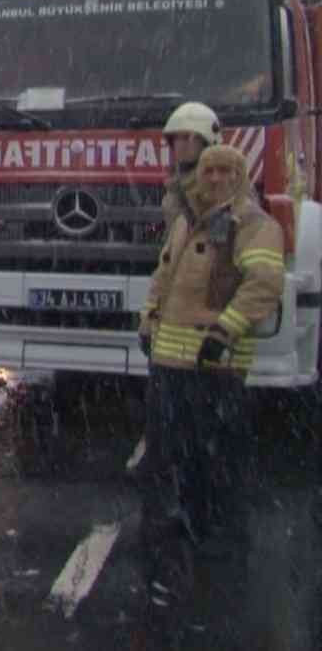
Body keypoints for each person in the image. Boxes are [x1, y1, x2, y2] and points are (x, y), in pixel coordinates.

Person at [137, 144, 282, 566]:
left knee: (216, 456)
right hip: (169, 364)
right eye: (208, 171)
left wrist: (226, 330)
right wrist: (148, 320)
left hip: (214, 366)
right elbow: (163, 275)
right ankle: (183, 523)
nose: (215, 178)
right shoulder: (186, 221)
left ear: (239, 176)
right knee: (172, 454)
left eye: (225, 171)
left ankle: (222, 540)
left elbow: (264, 284)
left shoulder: (254, 225)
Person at [160, 101, 220, 236]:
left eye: (188, 137)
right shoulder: (175, 185)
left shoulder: (223, 181)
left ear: (207, 140)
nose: (181, 144)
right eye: (176, 138)